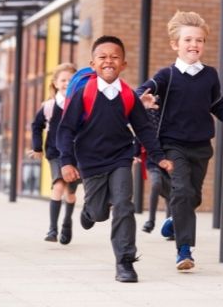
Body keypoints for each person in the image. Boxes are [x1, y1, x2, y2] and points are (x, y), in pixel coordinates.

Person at [57, 35, 173, 283]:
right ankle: (89, 211)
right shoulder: (83, 93)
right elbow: (66, 129)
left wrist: (159, 157)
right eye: (103, 57)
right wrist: (67, 161)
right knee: (99, 212)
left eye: (115, 57)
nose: (109, 61)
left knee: (123, 204)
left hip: (121, 157)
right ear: (93, 63)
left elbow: (143, 129)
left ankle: (125, 262)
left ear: (124, 64)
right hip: (90, 161)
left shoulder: (128, 95)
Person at [135, 11, 223, 271]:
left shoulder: (210, 75)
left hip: (202, 146)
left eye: (199, 40)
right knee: (181, 192)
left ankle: (174, 220)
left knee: (192, 197)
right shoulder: (166, 75)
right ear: (175, 44)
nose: (194, 45)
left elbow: (218, 106)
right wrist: (142, 99)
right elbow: (141, 91)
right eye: (188, 40)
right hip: (173, 145)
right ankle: (184, 250)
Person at [29, 62, 79, 245]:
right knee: (58, 185)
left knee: (70, 193)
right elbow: (36, 126)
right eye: (63, 80)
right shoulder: (49, 106)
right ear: (56, 83)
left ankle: (67, 223)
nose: (67, 83)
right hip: (55, 153)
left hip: (76, 155)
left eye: (71, 80)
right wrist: (37, 147)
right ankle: (52, 229)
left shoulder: (80, 104)